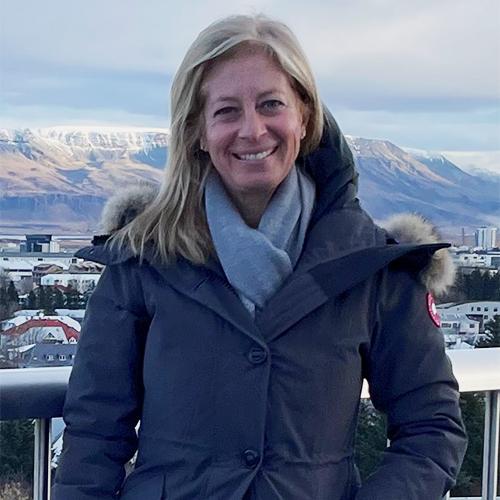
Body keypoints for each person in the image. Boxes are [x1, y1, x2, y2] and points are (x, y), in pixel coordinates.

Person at [52, 14, 467, 500]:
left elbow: (431, 427)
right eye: (227, 111)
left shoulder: (371, 266)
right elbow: (95, 433)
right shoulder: (144, 260)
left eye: (271, 104)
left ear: (304, 117)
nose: (252, 130)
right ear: (198, 132)